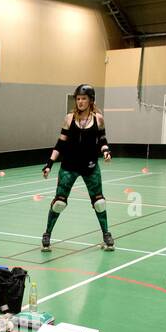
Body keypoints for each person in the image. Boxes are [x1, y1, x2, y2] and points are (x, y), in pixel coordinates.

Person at [41, 84, 114, 252]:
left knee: (99, 203)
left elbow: (102, 140)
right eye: (78, 99)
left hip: (90, 166)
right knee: (59, 202)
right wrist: (49, 164)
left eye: (84, 99)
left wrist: (106, 152)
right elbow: (60, 143)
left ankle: (106, 235)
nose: (80, 102)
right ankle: (47, 235)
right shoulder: (69, 118)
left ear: (91, 100)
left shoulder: (98, 119)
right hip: (69, 166)